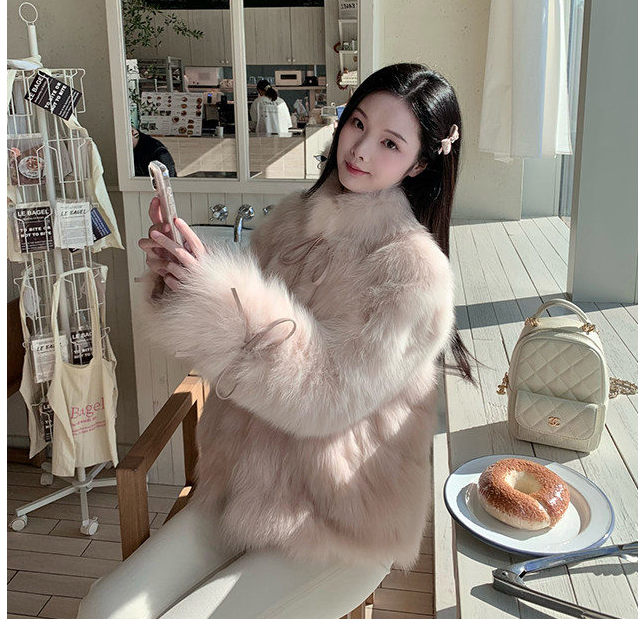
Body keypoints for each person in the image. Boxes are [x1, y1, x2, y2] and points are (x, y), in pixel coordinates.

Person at [77, 63, 473, 619]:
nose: (360, 149)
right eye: (358, 123)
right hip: (237, 490)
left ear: (421, 163)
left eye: (390, 142)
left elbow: (323, 395)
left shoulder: (414, 273)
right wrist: (182, 281)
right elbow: (230, 335)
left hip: (339, 523)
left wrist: (217, 297)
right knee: (103, 610)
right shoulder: (291, 221)